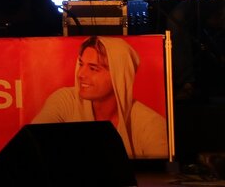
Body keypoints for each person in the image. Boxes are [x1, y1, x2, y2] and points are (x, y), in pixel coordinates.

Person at [31, 36, 168, 158]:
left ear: (119, 77)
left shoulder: (151, 125)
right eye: (81, 64)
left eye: (93, 68)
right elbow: (31, 144)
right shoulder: (65, 100)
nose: (80, 74)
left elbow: (161, 174)